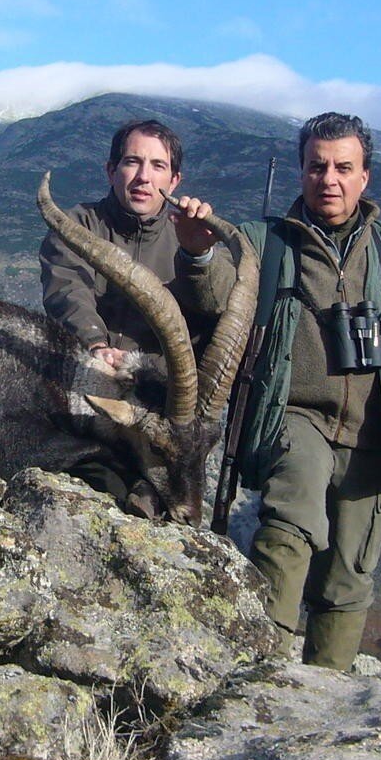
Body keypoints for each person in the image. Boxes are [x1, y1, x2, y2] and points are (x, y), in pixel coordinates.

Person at [189, 111, 381, 670]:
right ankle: (258, 674)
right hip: (294, 417)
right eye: (317, 167)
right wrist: (198, 252)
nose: (329, 180)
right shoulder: (264, 243)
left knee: (348, 577)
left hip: (375, 432)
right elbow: (214, 298)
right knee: (290, 527)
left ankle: (323, 700)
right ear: (301, 172)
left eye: (343, 167)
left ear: (366, 177)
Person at [39, 118, 223, 508]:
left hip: (154, 411)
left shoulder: (190, 236)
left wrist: (198, 254)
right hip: (85, 388)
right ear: (111, 170)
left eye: (158, 166)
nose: (143, 177)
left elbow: (212, 308)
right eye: (131, 162)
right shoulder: (78, 224)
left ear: (175, 180)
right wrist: (94, 341)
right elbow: (67, 288)